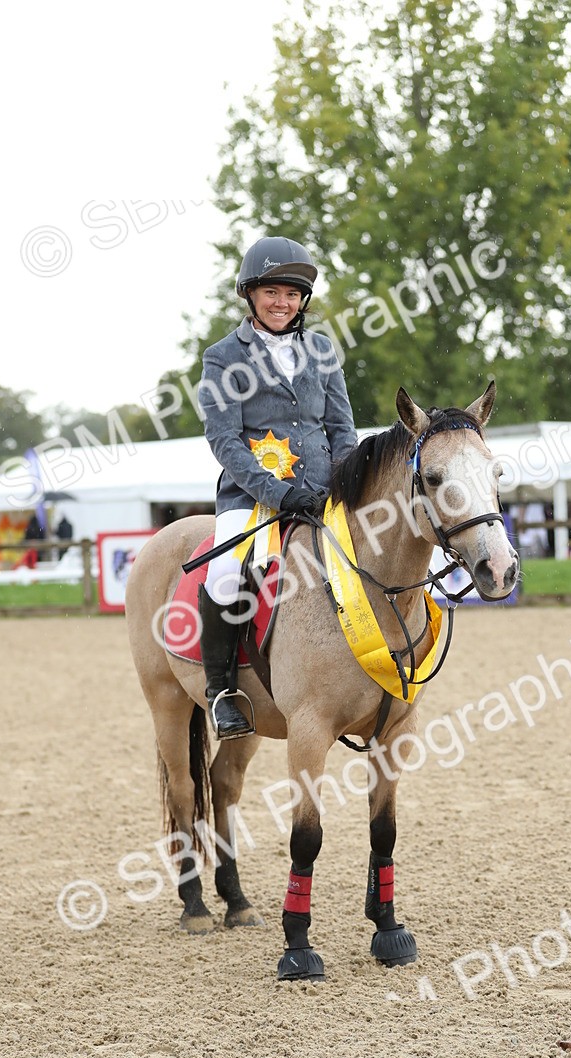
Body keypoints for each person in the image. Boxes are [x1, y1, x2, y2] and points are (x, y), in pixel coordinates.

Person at [197, 235, 359, 739]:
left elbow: (342, 428)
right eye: (271, 292)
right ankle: (222, 691)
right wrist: (279, 494)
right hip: (251, 497)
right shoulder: (223, 357)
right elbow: (224, 440)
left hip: (323, 492)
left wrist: (344, 481)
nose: (282, 303)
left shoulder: (322, 350)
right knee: (225, 573)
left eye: (291, 294)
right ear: (250, 294)